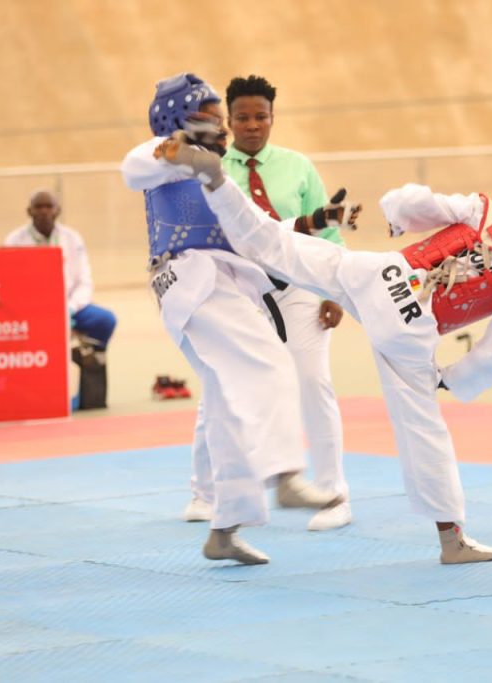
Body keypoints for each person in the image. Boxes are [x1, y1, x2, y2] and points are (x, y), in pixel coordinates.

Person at [157, 135, 492, 564]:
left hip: (378, 276)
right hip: (410, 332)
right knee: (424, 431)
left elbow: (410, 200)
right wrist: (452, 377)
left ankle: (214, 183)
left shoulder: (479, 209)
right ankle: (452, 540)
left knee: (276, 243)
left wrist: (398, 218)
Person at [120, 72, 341, 565]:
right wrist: (179, 149)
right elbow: (133, 167)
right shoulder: (162, 160)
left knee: (225, 405)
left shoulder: (218, 178)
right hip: (190, 280)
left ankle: (224, 528)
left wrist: (320, 227)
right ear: (179, 121)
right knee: (272, 364)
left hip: (213, 285)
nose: (222, 129)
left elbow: (261, 233)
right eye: (212, 119)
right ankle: (285, 476)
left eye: (223, 121)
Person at [182, 74, 351, 531]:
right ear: (228, 121)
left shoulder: (298, 166)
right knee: (218, 388)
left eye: (261, 116)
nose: (253, 125)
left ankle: (334, 494)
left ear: (274, 118)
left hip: (298, 290)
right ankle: (205, 493)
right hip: (238, 295)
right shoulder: (212, 167)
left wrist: (331, 291)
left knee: (314, 385)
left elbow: (328, 231)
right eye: (243, 117)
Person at [3, 190, 118, 409]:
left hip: (69, 307)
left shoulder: (72, 238)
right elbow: (10, 284)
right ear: (29, 211)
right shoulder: (14, 240)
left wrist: (69, 308)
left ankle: (90, 369)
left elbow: (84, 281)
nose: (44, 211)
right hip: (32, 310)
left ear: (58, 211)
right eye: (39, 207)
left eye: (49, 206)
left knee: (106, 321)